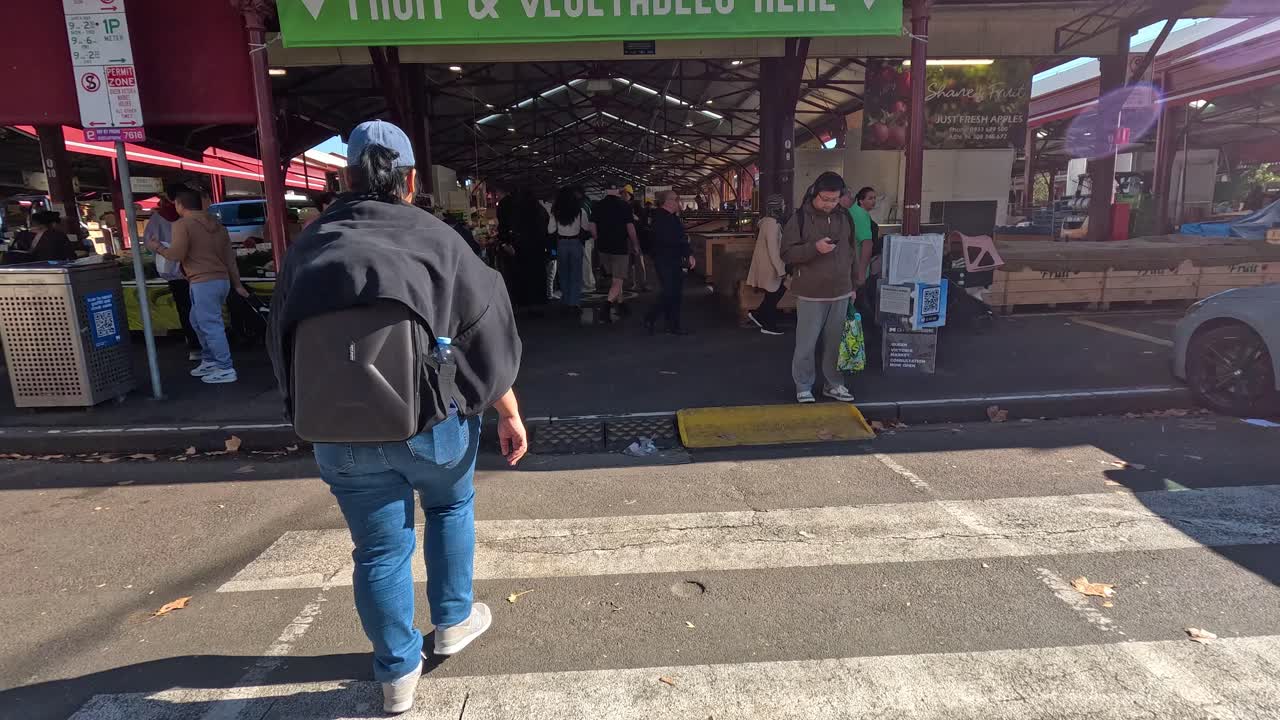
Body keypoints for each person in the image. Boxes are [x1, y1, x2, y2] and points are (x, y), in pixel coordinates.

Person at [267, 120, 528, 716]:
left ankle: (396, 676)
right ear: (409, 180)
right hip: (430, 425)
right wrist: (507, 410)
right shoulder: (438, 240)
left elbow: (278, 341)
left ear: (345, 177)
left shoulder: (310, 244)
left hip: (336, 429)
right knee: (449, 506)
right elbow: (488, 334)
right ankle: (454, 621)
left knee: (378, 551)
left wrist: (304, 412)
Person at [146, 188, 247, 384]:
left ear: (179, 204)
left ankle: (225, 367)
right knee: (198, 321)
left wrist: (157, 247)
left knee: (209, 325)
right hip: (221, 280)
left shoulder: (182, 225)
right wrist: (237, 284)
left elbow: (176, 254)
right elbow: (230, 258)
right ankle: (210, 360)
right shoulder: (217, 225)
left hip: (202, 281)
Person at [780, 171, 857, 404]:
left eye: (834, 200)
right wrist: (814, 248)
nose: (829, 204)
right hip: (811, 292)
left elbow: (850, 253)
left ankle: (834, 384)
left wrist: (853, 285)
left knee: (835, 343)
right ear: (814, 193)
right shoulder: (799, 219)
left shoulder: (845, 218)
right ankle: (803, 385)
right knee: (806, 343)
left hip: (841, 291)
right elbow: (786, 253)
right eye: (824, 199)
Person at [144, 185, 202, 361]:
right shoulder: (197, 217)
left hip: (176, 272)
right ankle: (212, 351)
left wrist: (160, 248)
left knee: (185, 309)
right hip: (199, 270)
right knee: (204, 311)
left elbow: (149, 242)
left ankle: (195, 346)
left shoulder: (159, 218)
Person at [643, 190, 695, 335]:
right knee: (670, 292)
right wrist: (686, 250)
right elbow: (674, 239)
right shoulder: (660, 218)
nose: (679, 202)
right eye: (676, 199)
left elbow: (679, 238)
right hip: (665, 260)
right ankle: (652, 318)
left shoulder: (670, 218)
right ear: (668, 202)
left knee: (674, 293)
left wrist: (687, 252)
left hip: (672, 259)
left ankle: (671, 325)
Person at [591, 183, 639, 321]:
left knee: (614, 278)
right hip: (619, 248)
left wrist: (597, 239)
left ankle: (621, 303)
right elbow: (630, 228)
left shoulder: (597, 206)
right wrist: (635, 244)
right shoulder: (625, 206)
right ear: (619, 191)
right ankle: (606, 307)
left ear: (606, 191)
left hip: (603, 248)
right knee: (618, 280)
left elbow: (592, 226)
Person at [745, 194, 788, 336]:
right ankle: (768, 325)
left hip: (766, 265)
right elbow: (773, 249)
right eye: (782, 204)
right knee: (775, 294)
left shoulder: (767, 222)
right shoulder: (772, 224)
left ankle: (758, 315)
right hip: (771, 267)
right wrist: (781, 270)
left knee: (774, 294)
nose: (784, 207)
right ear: (777, 207)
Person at [549, 186, 594, 311]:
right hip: (575, 243)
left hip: (561, 244)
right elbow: (585, 227)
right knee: (576, 274)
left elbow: (550, 230)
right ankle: (574, 303)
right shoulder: (580, 211)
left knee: (563, 273)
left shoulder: (555, 212)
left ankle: (565, 300)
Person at [9, 211, 77, 262]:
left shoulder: (22, 234)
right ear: (53, 224)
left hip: (25, 270)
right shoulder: (58, 235)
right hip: (52, 269)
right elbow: (71, 255)